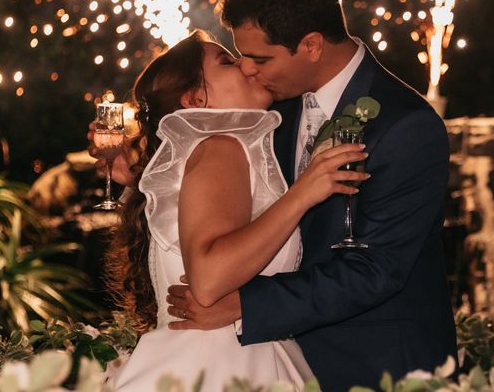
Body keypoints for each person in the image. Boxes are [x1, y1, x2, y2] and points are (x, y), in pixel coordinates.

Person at [166, 0, 457, 391]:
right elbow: (212, 165)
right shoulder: (272, 104)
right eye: (241, 57)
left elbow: (375, 270)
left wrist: (244, 305)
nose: (247, 69)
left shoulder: (407, 125)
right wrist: (133, 159)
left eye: (259, 58)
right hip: (280, 366)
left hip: (377, 367)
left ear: (312, 45)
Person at [93, 30, 370, 391]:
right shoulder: (221, 146)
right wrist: (303, 193)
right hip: (223, 369)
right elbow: (207, 281)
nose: (246, 66)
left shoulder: (212, 150)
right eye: (228, 62)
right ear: (196, 97)